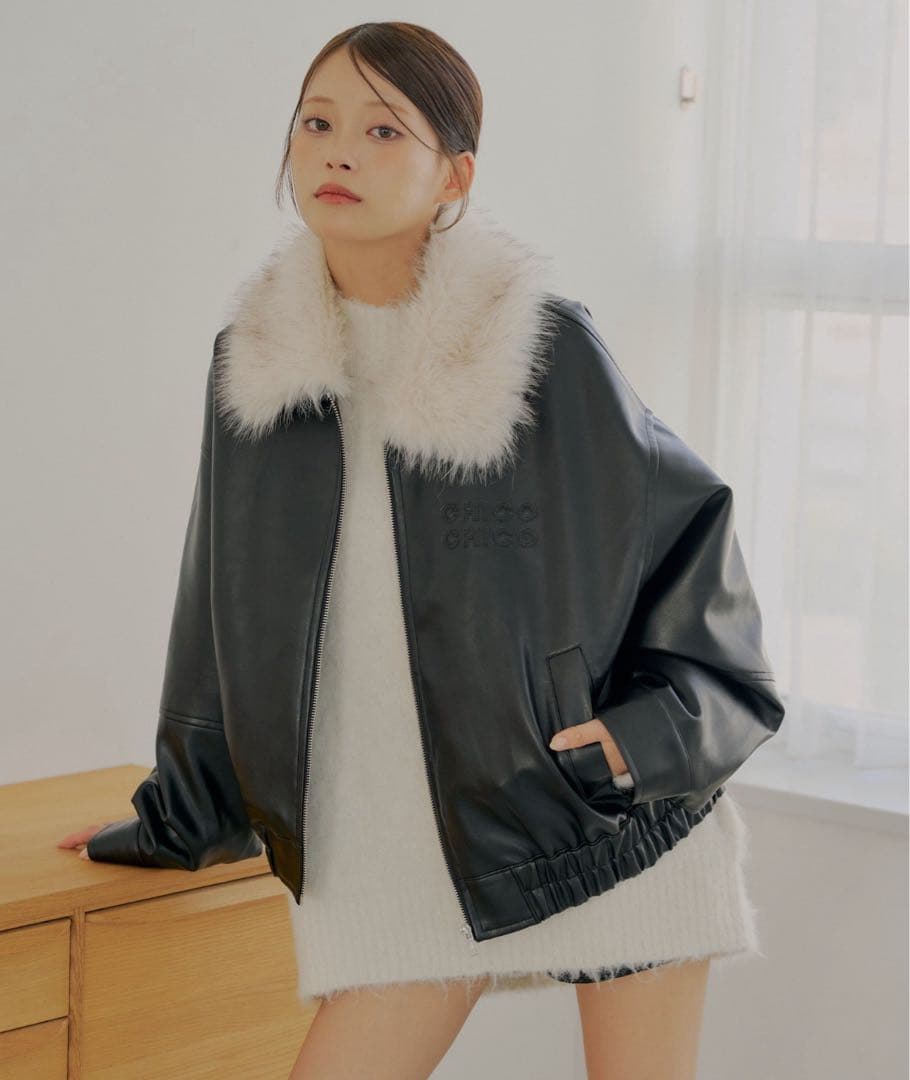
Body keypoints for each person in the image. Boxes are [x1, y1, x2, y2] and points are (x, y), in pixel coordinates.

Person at [59, 21, 785, 1080]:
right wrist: (179, 811)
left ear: (455, 175)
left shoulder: (538, 346)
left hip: (596, 825)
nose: (338, 152)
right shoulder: (256, 363)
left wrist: (638, 746)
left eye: (383, 130)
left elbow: (692, 548)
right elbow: (218, 606)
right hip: (392, 850)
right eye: (317, 123)